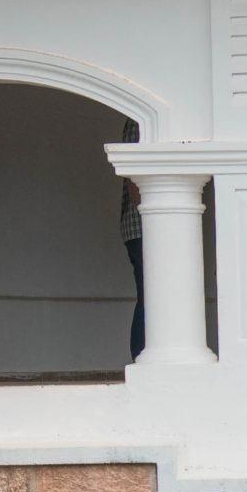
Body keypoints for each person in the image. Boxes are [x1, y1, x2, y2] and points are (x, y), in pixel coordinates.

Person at [119, 116, 144, 359]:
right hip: (144, 227)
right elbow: (133, 176)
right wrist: (149, 214)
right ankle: (141, 360)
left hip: (141, 227)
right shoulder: (138, 120)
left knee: (151, 296)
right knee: (151, 297)